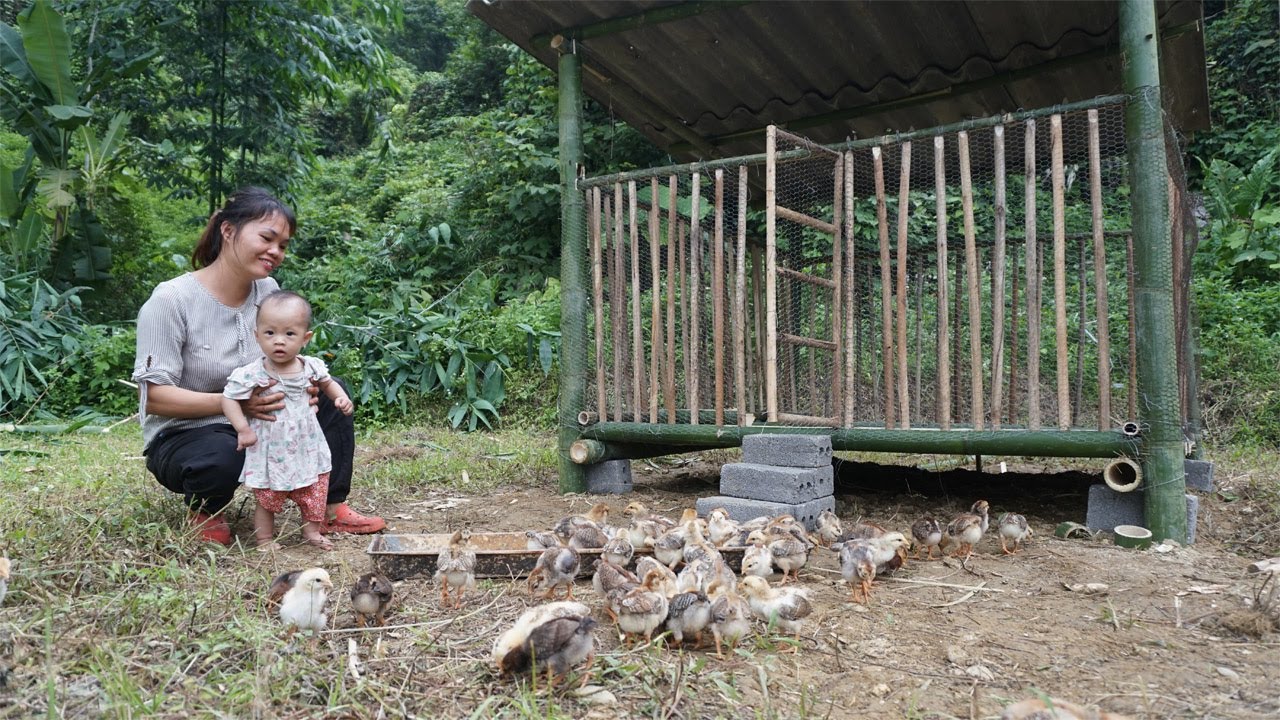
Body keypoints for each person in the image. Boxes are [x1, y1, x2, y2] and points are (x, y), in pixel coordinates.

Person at [133, 186, 385, 546]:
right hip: (188, 432)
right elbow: (154, 398)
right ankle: (206, 510)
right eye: (267, 238)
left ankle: (329, 508)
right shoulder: (171, 300)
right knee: (220, 457)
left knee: (333, 391)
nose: (275, 252)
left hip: (263, 420)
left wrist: (303, 389)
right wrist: (236, 404)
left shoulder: (268, 291)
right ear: (228, 230)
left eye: (282, 245)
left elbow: (282, 361)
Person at [223, 290, 351, 551]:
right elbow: (229, 399)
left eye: (289, 334)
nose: (279, 341)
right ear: (257, 336)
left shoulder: (311, 366)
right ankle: (264, 539)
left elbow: (328, 384)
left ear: (305, 338)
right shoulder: (252, 373)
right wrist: (243, 428)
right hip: (272, 448)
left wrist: (340, 398)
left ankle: (312, 532)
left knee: (314, 492)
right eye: (270, 333)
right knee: (267, 497)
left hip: (307, 445)